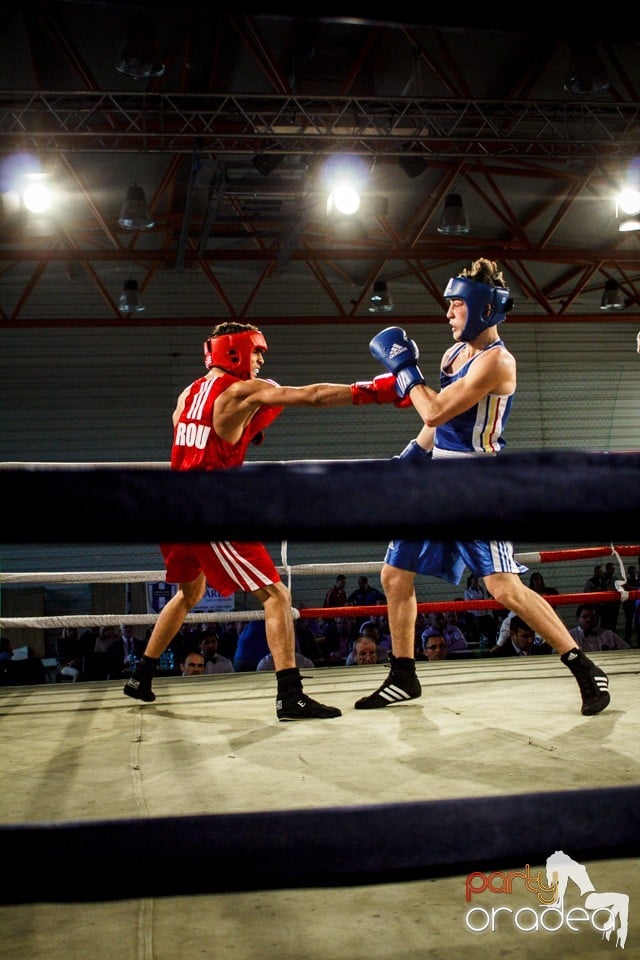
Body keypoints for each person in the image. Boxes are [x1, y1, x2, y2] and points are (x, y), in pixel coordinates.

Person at [354, 257, 610, 716]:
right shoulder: (455, 354)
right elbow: (438, 423)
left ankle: (583, 667)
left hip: (476, 484)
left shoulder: (498, 363)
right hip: (438, 478)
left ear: (481, 308)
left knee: (503, 587)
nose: (448, 313)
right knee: (394, 574)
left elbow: (432, 408)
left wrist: (405, 370)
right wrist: (410, 457)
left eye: (455, 304)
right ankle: (403, 675)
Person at [124, 320, 408, 720]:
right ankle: (290, 696)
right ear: (234, 350)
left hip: (172, 507)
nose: (259, 359)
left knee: (189, 594)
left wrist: (243, 429)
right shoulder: (241, 390)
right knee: (276, 596)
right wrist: (375, 391)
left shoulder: (189, 392)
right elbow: (310, 397)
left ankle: (141, 675)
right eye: (256, 351)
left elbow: (191, 437)